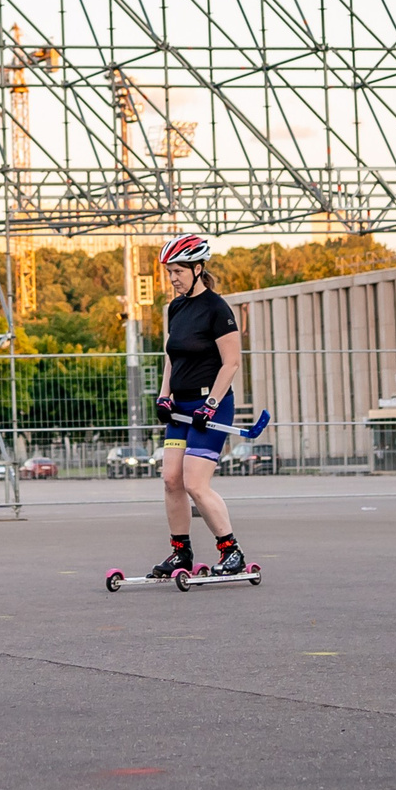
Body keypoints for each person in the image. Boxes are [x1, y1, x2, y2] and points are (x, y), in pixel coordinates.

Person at [145, 233, 250, 578]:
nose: (172, 278)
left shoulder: (217, 309)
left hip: (211, 407)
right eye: (169, 272)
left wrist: (211, 404)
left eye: (178, 271)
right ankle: (181, 552)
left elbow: (231, 363)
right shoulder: (176, 308)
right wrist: (164, 395)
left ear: (198, 269)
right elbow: (171, 357)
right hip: (180, 407)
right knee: (170, 479)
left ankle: (231, 550)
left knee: (194, 483)